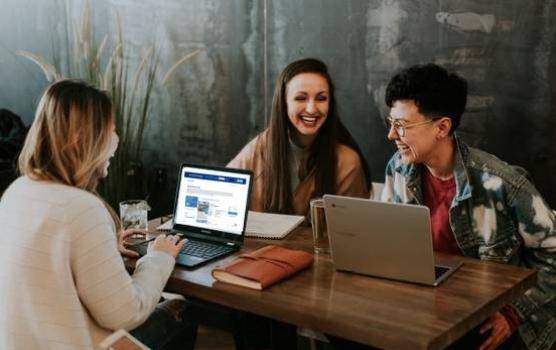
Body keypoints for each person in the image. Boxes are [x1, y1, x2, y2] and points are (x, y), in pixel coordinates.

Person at [0, 80, 197, 350]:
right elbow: (126, 313)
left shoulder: (16, 192)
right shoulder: (81, 207)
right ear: (83, 139)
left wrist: (102, 247)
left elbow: (47, 268)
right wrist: (158, 257)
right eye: (111, 132)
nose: (115, 143)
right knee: (181, 312)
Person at [381, 63, 556, 350]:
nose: (391, 135)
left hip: (488, 319)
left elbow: (553, 253)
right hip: (426, 311)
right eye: (391, 123)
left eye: (402, 125)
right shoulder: (398, 169)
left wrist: (514, 314)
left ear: (442, 127)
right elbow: (387, 243)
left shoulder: (501, 183)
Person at [228, 57, 371, 216]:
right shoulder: (260, 147)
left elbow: (351, 233)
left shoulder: (347, 162)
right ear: (283, 102)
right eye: (301, 98)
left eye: (321, 98)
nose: (311, 109)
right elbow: (222, 195)